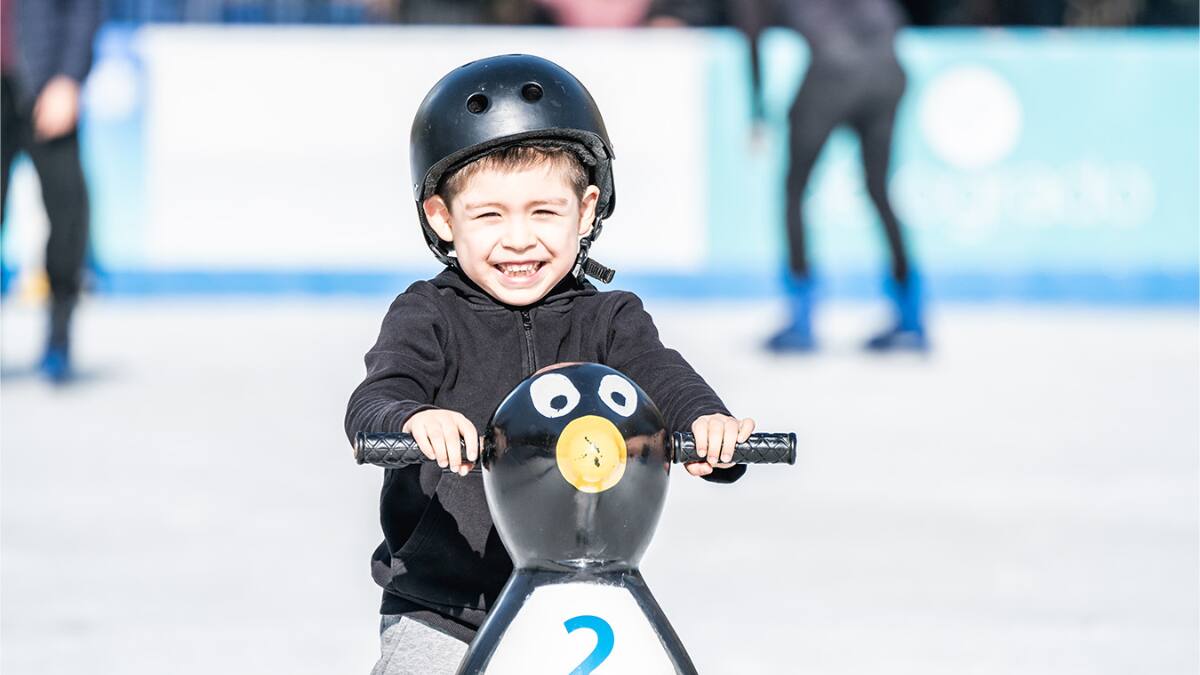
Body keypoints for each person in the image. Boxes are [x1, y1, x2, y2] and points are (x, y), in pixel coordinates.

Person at [344, 54, 756, 675]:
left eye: (544, 212)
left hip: (581, 592)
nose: (518, 239)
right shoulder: (426, 315)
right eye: (489, 215)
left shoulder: (610, 320)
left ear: (586, 211)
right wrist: (411, 420)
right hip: (444, 608)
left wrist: (704, 422)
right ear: (442, 218)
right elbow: (376, 400)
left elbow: (662, 376)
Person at [652, 0, 928, 351]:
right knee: (878, 189)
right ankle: (912, 315)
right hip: (889, 70)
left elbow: (752, 41)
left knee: (795, 191)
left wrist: (757, 111)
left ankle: (802, 319)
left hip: (833, 73)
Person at [0, 0, 101, 381]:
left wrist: (69, 79)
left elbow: (84, 8)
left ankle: (59, 337)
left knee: (67, 213)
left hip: (44, 83)